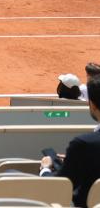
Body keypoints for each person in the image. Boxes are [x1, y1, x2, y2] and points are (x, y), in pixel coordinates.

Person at [40, 76, 100, 207]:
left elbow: (58, 187)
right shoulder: (84, 147)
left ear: (93, 104)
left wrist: (45, 169)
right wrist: (75, 159)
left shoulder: (83, 144)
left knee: (10, 173)